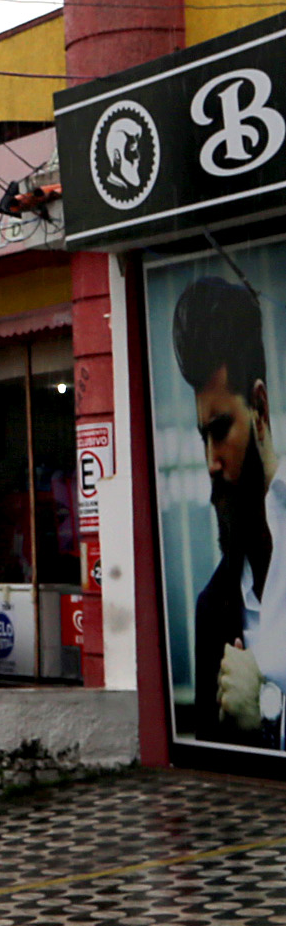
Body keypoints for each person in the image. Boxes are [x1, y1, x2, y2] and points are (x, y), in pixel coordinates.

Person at [170, 277, 286, 745]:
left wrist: (269, 716)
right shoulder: (212, 607)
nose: (210, 462)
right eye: (203, 438)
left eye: (220, 431)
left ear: (259, 410)